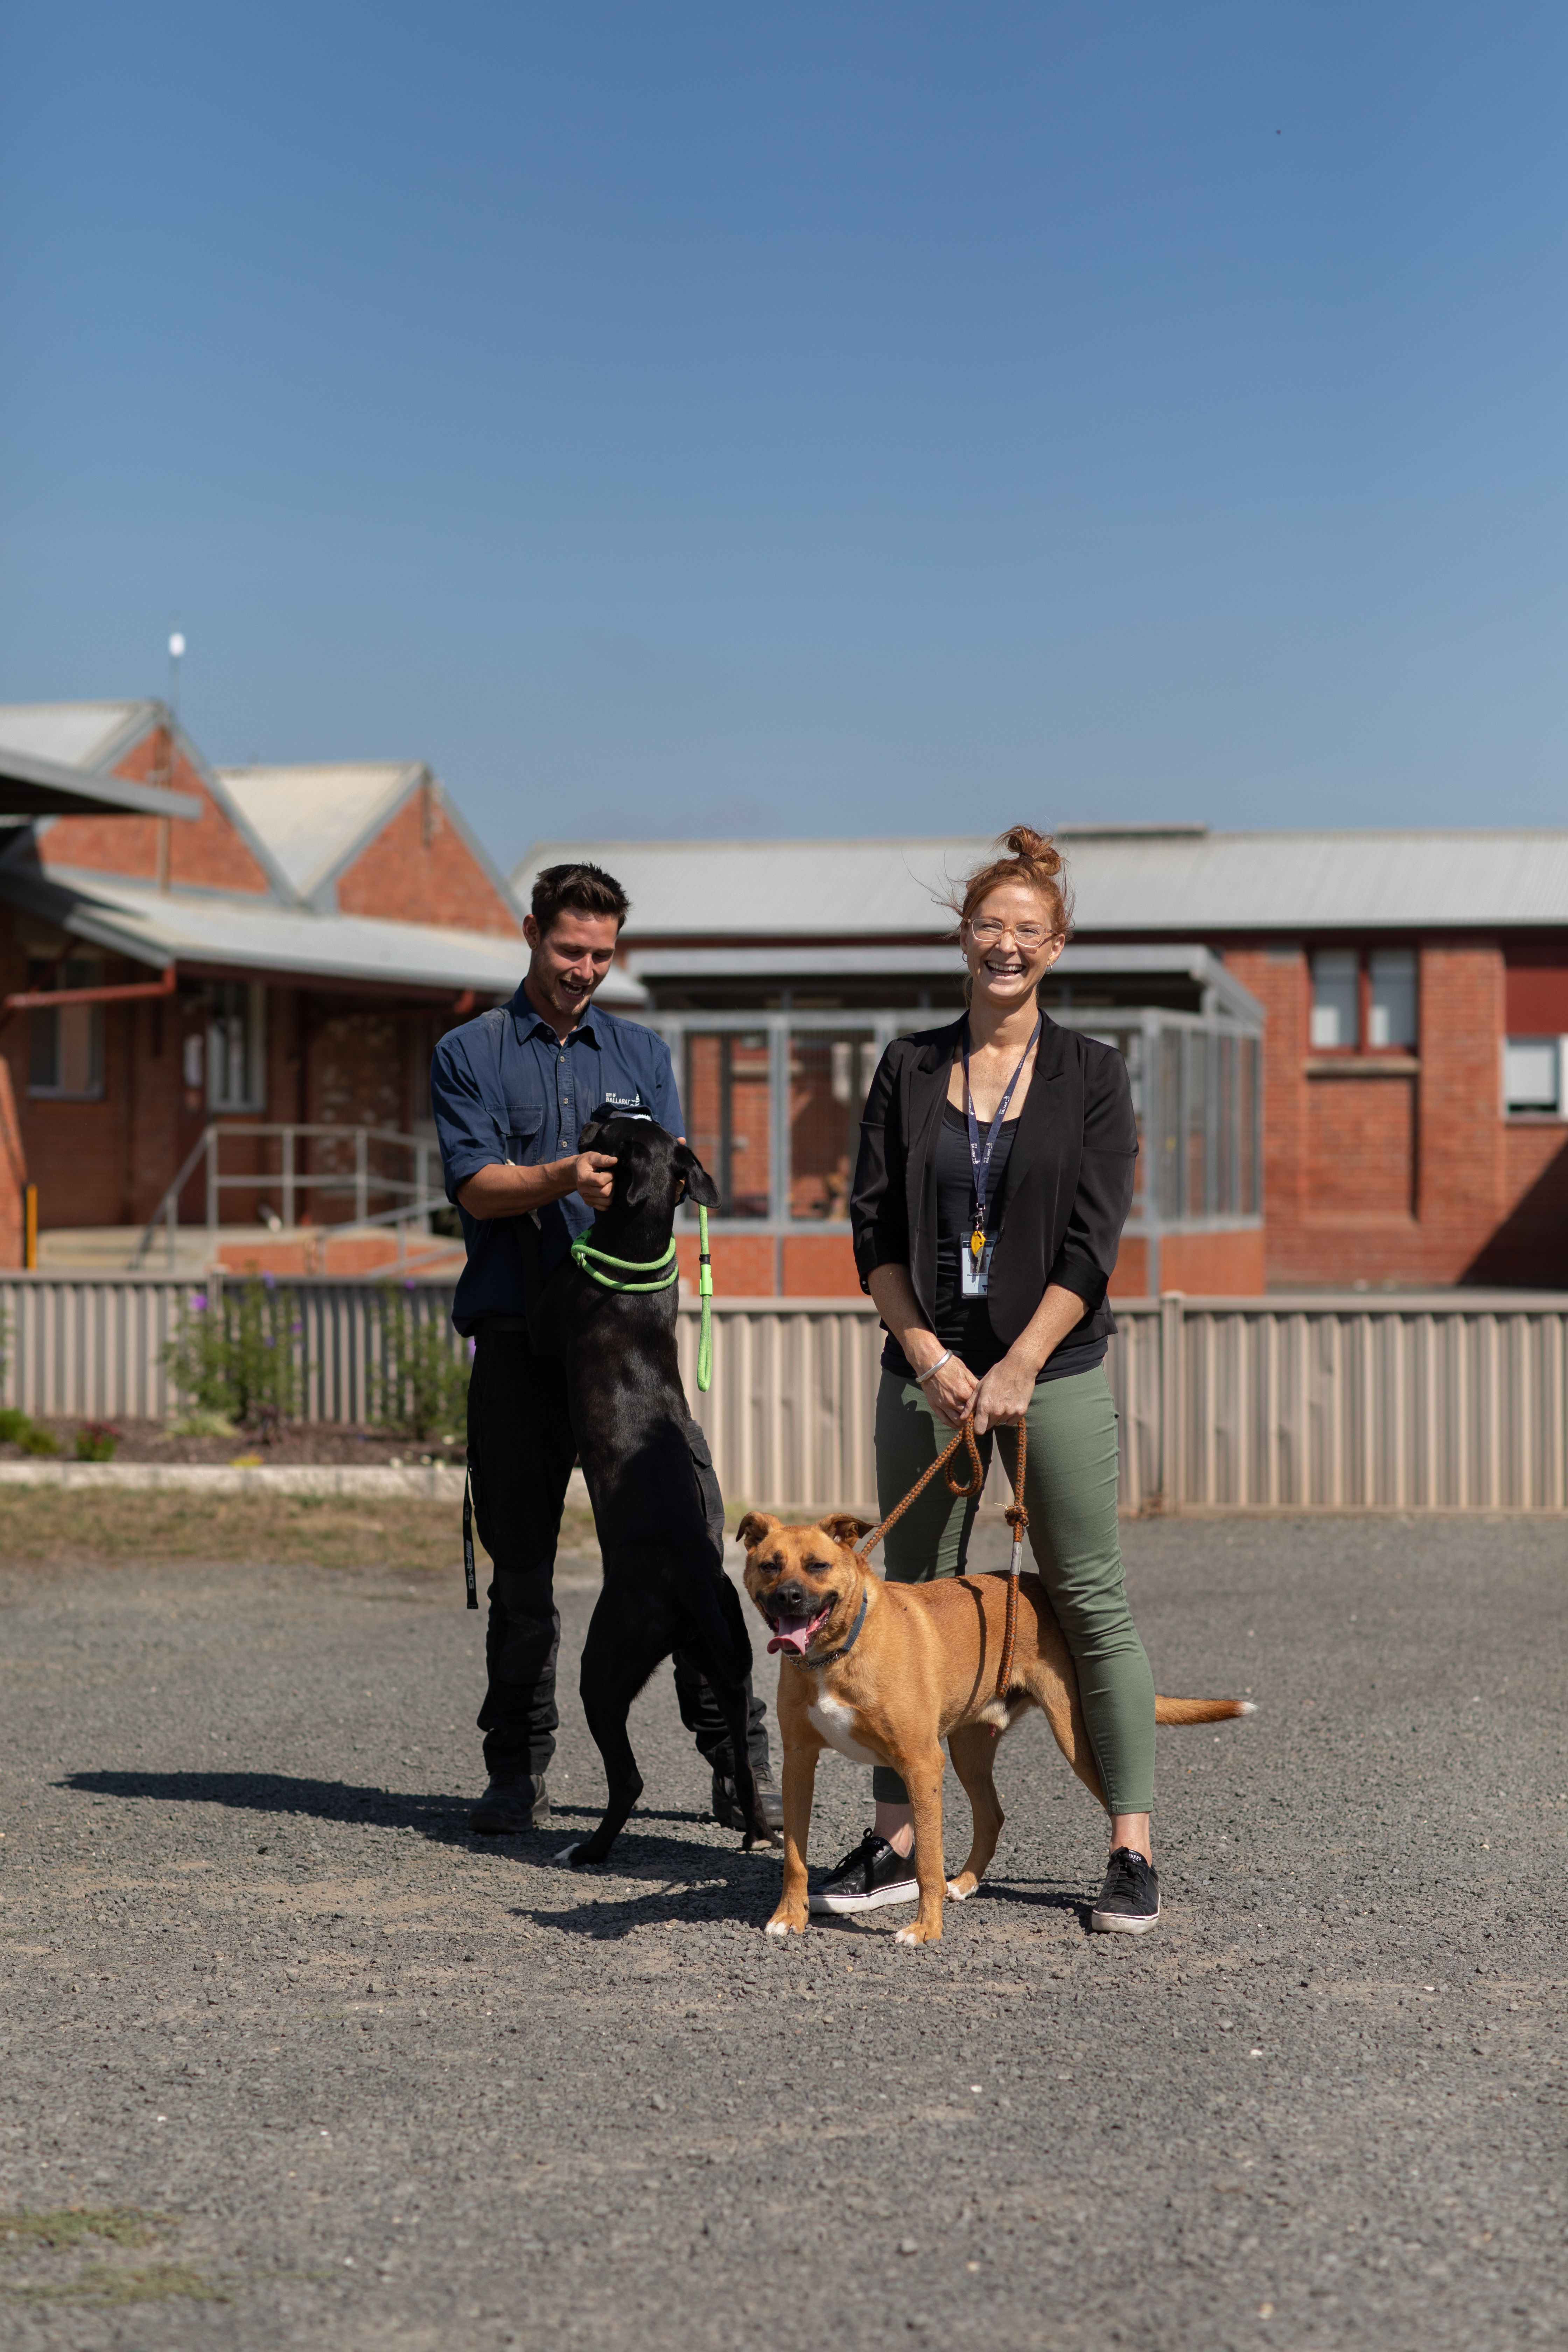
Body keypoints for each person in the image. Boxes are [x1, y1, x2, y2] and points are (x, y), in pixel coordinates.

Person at [828, 824, 1161, 1933]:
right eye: (989, 927)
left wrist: (1017, 1365)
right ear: (962, 938)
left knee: (1086, 1603)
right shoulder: (908, 1066)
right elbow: (870, 1227)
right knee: (897, 1606)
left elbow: (1091, 1243)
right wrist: (926, 1354)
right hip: (925, 1373)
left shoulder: (1094, 1074)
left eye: (1028, 931)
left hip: (1049, 1373)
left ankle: (1129, 1847)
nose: (1005, 947)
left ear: (1056, 947)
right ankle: (893, 1840)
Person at [430, 860, 780, 1836]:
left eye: (602, 954)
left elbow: (668, 1181)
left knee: (688, 1552)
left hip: (633, 1362)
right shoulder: (469, 1051)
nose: (584, 968)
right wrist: (558, 1179)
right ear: (532, 931)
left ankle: (737, 1766)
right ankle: (516, 1773)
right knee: (524, 1576)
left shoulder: (643, 1052)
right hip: (522, 1347)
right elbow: (475, 1188)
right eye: (569, 949)